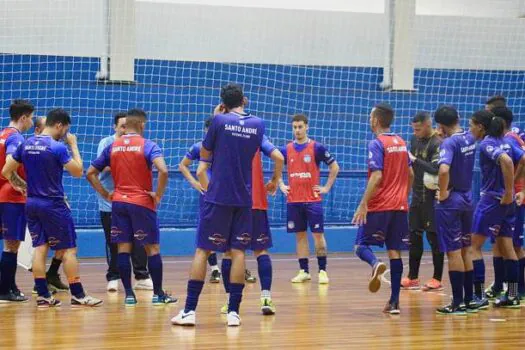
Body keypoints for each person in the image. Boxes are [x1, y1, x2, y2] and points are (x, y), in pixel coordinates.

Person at [171, 83, 266, 327]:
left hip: (218, 197)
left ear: (222, 103)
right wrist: (276, 179)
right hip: (244, 198)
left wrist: (218, 117)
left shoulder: (218, 122)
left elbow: (204, 160)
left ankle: (190, 310)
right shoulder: (258, 124)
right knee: (237, 253)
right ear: (244, 100)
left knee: (203, 250)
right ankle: (234, 312)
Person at [2, 108, 103, 307]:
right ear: (59, 125)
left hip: (32, 203)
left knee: (40, 248)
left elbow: (7, 171)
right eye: (65, 129)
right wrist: (73, 146)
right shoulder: (57, 147)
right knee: (69, 250)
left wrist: (22, 186)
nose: (65, 133)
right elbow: (77, 171)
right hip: (54, 205)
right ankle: (78, 294)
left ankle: (43, 296)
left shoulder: (26, 144)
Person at [87, 108, 176, 306]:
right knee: (152, 248)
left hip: (118, 203)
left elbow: (90, 173)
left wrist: (104, 193)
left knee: (123, 249)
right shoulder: (148, 145)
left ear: (126, 126)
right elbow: (163, 170)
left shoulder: (113, 146)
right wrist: (158, 195)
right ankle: (159, 294)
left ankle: (128, 295)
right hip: (142, 203)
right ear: (142, 125)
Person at [353, 103, 413, 315]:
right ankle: (394, 302)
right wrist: (403, 196)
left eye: (371, 117)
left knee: (360, 246)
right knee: (394, 251)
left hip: (380, 205)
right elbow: (411, 174)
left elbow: (377, 176)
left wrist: (363, 204)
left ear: (376, 120)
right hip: (400, 206)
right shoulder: (402, 142)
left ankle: (375, 263)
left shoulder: (376, 143)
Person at [470, 109, 524, 308]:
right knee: (507, 248)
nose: (471, 128)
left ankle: (478, 296)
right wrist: (515, 185)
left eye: (471, 125)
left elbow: (507, 161)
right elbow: (523, 159)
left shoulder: (487, 143)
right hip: (507, 204)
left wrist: (509, 190)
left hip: (492, 200)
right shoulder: (508, 141)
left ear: (481, 127)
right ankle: (512, 295)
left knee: (473, 247)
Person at [278, 114, 339, 284]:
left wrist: (326, 187)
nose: (297, 130)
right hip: (294, 201)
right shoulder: (286, 149)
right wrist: (281, 184)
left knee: (318, 236)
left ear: (307, 127)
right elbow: (276, 167)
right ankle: (304, 271)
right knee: (300, 237)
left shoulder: (317, 148)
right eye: (294, 127)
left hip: (313, 201)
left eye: (300, 127)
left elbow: (334, 167)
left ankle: (322, 271)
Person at [432, 106, 482, 315]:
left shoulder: (449, 143)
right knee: (466, 249)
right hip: (468, 197)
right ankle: (469, 299)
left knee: (453, 252)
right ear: (458, 118)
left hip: (451, 202)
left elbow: (443, 170)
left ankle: (457, 303)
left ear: (441, 125)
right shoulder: (470, 138)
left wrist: (442, 193)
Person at [97, 112, 152, 292]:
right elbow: (97, 168)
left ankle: (141, 276)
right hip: (110, 201)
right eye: (121, 126)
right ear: (115, 127)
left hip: (134, 201)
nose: (124, 129)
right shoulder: (107, 144)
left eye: (126, 125)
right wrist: (123, 160)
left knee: (140, 239)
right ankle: (113, 277)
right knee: (114, 242)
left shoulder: (139, 144)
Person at [401, 111, 444, 291]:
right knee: (414, 237)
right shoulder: (414, 140)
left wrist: (414, 159)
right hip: (417, 197)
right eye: (414, 129)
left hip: (432, 199)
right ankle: (413, 276)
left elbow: (435, 168)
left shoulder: (437, 143)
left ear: (428, 125)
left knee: (434, 238)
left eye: (418, 129)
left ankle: (437, 278)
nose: (416, 132)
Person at [179, 117, 222, 283]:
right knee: (208, 232)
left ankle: (236, 267)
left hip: (225, 193)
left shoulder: (226, 147)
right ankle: (215, 269)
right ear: (206, 131)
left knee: (230, 232)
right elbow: (183, 165)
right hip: (207, 194)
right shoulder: (199, 147)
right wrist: (194, 183)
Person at [29, 116, 68, 295]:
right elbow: (77, 170)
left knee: (49, 246)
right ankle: (78, 294)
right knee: (51, 246)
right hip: (46, 203)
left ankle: (49, 277)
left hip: (38, 201)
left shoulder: (41, 149)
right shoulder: (34, 148)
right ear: (38, 130)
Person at [0, 99, 34, 302]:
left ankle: (10, 286)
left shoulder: (1, 134)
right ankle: (4, 291)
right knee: (11, 245)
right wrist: (23, 186)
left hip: (2, 196)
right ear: (23, 118)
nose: (31, 122)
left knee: (9, 245)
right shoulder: (16, 139)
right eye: (30, 118)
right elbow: (8, 165)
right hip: (11, 199)